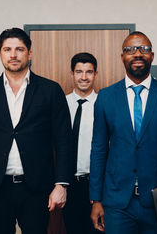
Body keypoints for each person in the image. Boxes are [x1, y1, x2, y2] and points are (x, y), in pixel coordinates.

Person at [0, 28, 72, 234]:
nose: (13, 54)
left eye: (19, 49)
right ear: (0, 53)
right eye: (7, 49)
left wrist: (61, 184)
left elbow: (64, 141)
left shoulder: (50, 90)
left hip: (37, 189)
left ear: (29, 53)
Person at [89, 31, 157, 234]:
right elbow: (99, 150)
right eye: (130, 49)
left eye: (143, 49)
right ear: (122, 57)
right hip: (117, 202)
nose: (137, 53)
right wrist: (96, 199)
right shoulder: (106, 97)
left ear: (152, 55)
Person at [63, 52, 100, 234]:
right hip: (67, 184)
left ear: (95, 74)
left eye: (89, 72)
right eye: (79, 72)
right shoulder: (61, 104)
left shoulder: (104, 104)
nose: (84, 77)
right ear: (72, 74)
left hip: (96, 183)